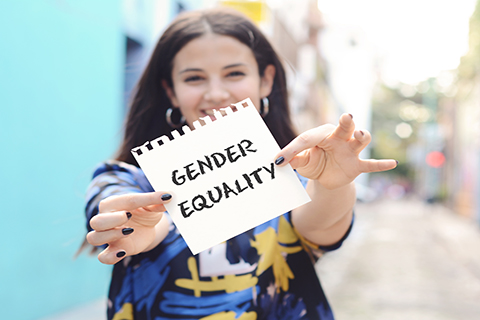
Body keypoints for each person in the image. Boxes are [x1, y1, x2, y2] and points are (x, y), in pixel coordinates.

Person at [84, 7, 397, 320]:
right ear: (171, 91)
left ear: (266, 80)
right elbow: (123, 211)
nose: (216, 93)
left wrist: (333, 184)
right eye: (194, 78)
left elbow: (321, 225)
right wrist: (136, 228)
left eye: (234, 74)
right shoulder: (126, 179)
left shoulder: (294, 177)